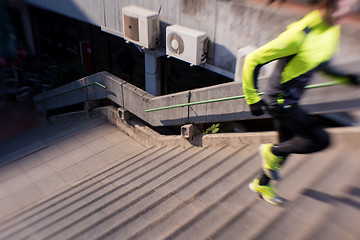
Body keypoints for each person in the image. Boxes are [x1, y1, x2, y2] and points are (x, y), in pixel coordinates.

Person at [243, 0, 359, 205]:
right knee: (319, 139)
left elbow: (322, 63)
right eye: (343, 9)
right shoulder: (300, 33)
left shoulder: (331, 30)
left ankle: (262, 183)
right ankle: (271, 152)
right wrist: (253, 98)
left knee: (288, 144)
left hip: (291, 100)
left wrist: (346, 78)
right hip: (280, 101)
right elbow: (253, 59)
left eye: (350, 10)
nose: (346, 14)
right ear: (328, 5)